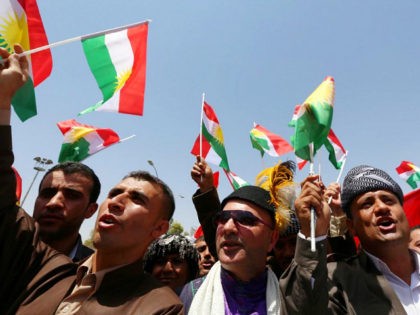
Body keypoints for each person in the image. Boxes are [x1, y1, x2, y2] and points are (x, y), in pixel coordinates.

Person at [0, 45, 183, 314]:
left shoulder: (161, 306)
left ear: (159, 229)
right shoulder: (45, 265)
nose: (117, 201)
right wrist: (3, 101)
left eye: (137, 199)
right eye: (114, 192)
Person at [281, 165, 420, 314]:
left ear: (403, 213)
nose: (381, 207)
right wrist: (311, 231)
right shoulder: (336, 282)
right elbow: (305, 309)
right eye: (367, 204)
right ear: (351, 226)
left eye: (388, 200)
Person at [184, 185, 282, 314]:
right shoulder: (192, 293)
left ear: (272, 239)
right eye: (222, 218)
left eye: (245, 219)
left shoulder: (289, 298)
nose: (228, 227)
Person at [34, 161, 100, 261]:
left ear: (91, 210)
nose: (53, 203)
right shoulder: (6, 244)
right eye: (47, 194)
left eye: (72, 196)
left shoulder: (94, 269)